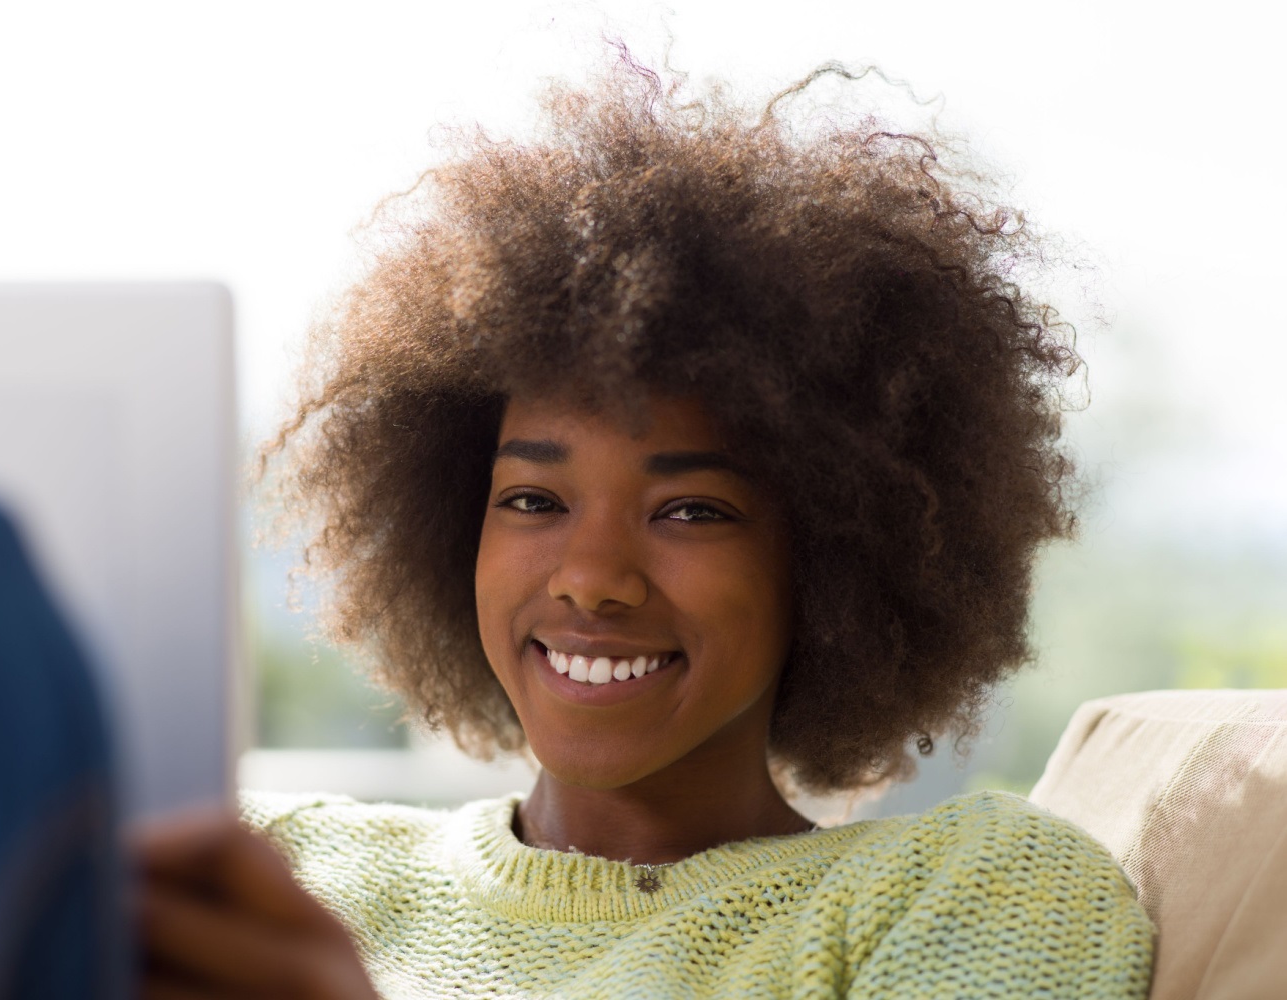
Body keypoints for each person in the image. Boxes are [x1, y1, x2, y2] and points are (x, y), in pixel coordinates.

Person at [135, 58, 1154, 998]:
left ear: (836, 561)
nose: (591, 577)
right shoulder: (272, 866)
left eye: (692, 510)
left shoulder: (975, 889)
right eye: (533, 499)